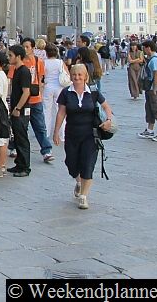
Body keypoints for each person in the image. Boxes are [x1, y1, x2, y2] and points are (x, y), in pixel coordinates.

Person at [53, 64, 114, 209]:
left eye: (80, 75)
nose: (77, 77)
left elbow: (106, 106)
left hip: (90, 134)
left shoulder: (93, 92)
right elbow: (61, 112)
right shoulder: (66, 93)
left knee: (88, 164)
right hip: (72, 133)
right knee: (71, 163)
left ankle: (83, 196)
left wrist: (109, 120)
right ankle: (78, 182)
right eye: (74, 75)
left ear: (85, 76)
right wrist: (56, 131)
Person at [20, 37, 54, 164]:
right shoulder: (19, 62)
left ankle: (46, 150)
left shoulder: (38, 61)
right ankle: (13, 147)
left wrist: (39, 93)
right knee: (20, 126)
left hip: (35, 98)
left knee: (40, 126)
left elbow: (40, 79)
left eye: (27, 47)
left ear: (33, 48)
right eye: (23, 46)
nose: (25, 49)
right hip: (22, 98)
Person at [7, 44, 32, 177]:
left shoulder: (24, 71)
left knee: (22, 138)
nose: (9, 57)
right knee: (17, 137)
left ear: (18, 56)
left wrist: (18, 108)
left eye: (11, 55)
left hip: (21, 110)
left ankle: (25, 167)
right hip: (16, 108)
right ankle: (19, 164)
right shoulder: (17, 70)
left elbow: (26, 92)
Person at [138, 40, 157, 142]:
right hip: (150, 88)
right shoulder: (152, 58)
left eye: (144, 48)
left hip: (156, 89)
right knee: (150, 109)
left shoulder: (154, 60)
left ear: (148, 48)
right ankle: (150, 130)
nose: (144, 51)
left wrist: (155, 88)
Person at [42, 45, 68, 139]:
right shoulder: (60, 62)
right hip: (59, 87)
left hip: (47, 86)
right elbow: (67, 73)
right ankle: (62, 134)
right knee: (60, 110)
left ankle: (46, 133)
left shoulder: (44, 62)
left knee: (46, 110)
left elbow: (42, 75)